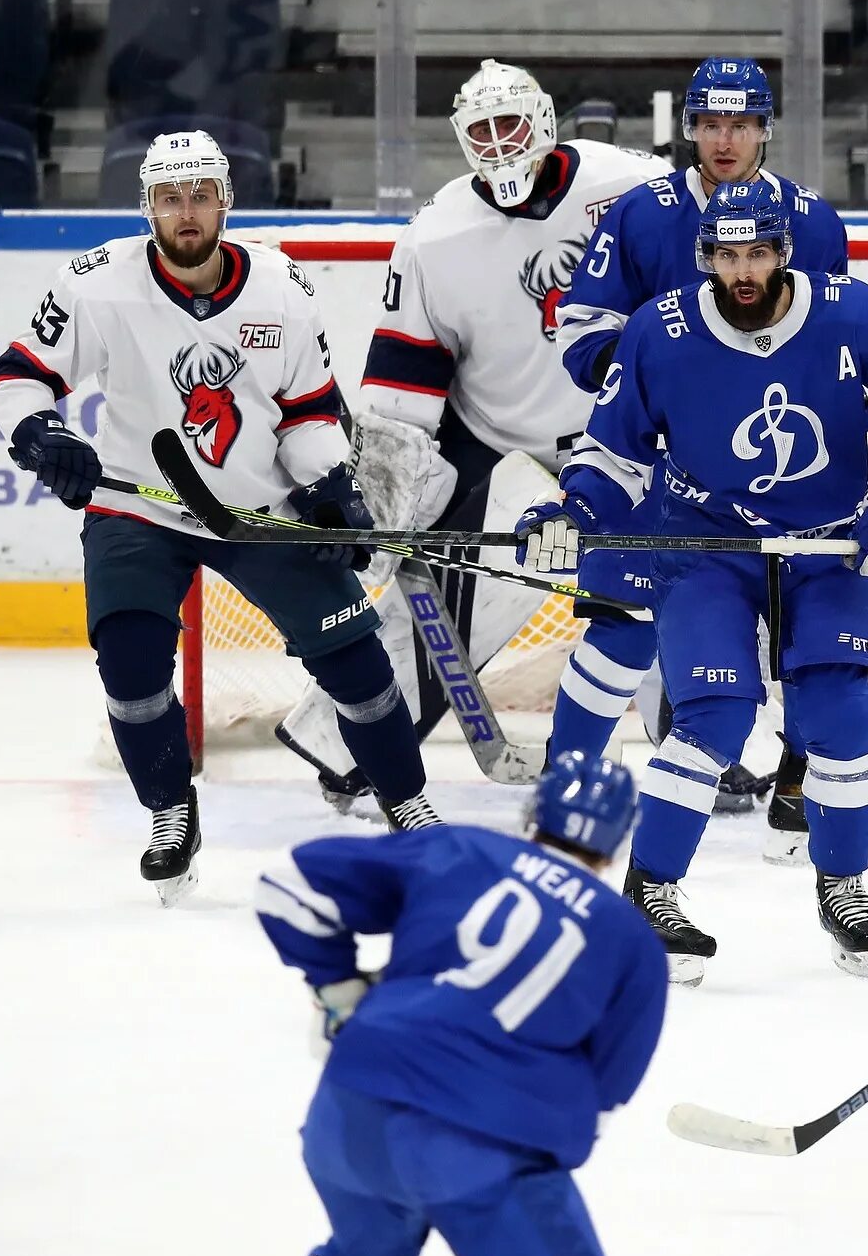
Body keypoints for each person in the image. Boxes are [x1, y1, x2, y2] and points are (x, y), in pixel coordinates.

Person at [518, 179, 868, 984]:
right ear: (707, 258)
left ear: (784, 251)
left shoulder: (855, 312)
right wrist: (574, 509)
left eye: (757, 252)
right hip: (704, 545)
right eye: (727, 255)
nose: (744, 271)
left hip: (827, 548)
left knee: (839, 716)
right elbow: (611, 453)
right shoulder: (660, 329)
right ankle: (652, 890)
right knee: (715, 717)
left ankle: (845, 885)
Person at [0, 130, 436, 905]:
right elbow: (20, 375)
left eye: (199, 195)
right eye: (170, 199)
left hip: (255, 509)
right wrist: (41, 432)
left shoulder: (281, 288)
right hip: (137, 506)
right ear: (148, 208)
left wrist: (328, 483)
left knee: (357, 661)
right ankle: (170, 812)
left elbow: (307, 411)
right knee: (129, 668)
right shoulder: (97, 284)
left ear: (225, 200)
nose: (186, 213)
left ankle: (406, 799)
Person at [273, 59, 671, 810]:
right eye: (479, 131)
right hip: (495, 436)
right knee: (439, 597)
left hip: (623, 437)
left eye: (509, 125)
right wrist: (382, 506)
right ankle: (351, 743)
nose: (497, 145)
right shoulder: (436, 234)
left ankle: (706, 742)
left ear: (545, 122)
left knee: (671, 580)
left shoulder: (634, 187)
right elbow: (402, 383)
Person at [555, 55, 868, 857]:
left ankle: (804, 787)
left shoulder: (810, 219)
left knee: (809, 640)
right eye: (709, 123)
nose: (724, 139)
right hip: (651, 465)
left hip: (768, 474)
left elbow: (824, 338)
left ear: (765, 127)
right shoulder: (639, 212)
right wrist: (661, 384)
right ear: (688, 126)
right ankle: (568, 788)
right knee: (622, 627)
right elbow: (580, 330)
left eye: (741, 123)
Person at [256, 753, 666, 1256]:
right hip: (486, 1144)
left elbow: (286, 886)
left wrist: (338, 988)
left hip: (347, 1114)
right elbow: (606, 1092)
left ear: (532, 815)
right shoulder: (633, 943)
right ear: (618, 841)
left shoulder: (459, 849)